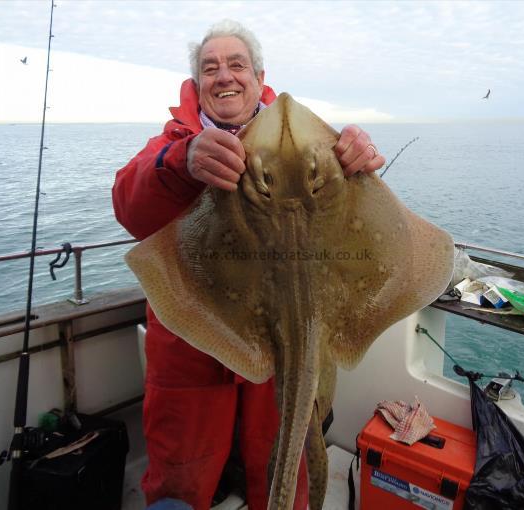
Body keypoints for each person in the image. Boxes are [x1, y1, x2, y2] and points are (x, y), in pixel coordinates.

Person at [112, 19, 385, 510]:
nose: (224, 76)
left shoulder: (311, 143)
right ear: (197, 86)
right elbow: (130, 208)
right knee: (180, 478)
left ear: (260, 78)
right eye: (210, 67)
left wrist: (357, 157)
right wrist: (182, 161)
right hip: (193, 339)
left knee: (283, 471)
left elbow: (365, 213)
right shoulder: (176, 142)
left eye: (237, 64)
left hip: (286, 346)